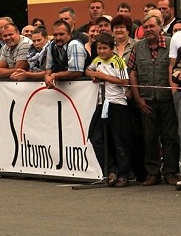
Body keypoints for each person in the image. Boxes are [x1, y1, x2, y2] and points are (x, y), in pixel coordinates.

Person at [129, 14, 178, 186]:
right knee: (149, 138)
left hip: (167, 101)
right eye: (146, 27)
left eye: (152, 26)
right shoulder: (138, 47)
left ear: (160, 26)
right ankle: (153, 173)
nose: (148, 30)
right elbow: (133, 72)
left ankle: (171, 172)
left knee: (170, 137)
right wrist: (138, 98)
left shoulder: (172, 43)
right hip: (146, 100)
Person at [84, 32, 131, 187]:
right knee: (94, 135)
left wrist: (103, 76)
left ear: (112, 49)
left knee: (118, 140)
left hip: (117, 103)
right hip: (102, 103)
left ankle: (124, 174)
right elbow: (88, 70)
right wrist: (93, 75)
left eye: (105, 48)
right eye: (99, 48)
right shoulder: (96, 61)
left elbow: (124, 81)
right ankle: (111, 168)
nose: (102, 52)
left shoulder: (118, 61)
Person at [44, 20, 88, 89]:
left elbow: (77, 72)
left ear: (70, 34)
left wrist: (55, 75)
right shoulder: (51, 46)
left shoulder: (74, 44)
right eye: (55, 35)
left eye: (61, 34)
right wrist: (47, 77)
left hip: (83, 88)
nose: (58, 38)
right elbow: (49, 68)